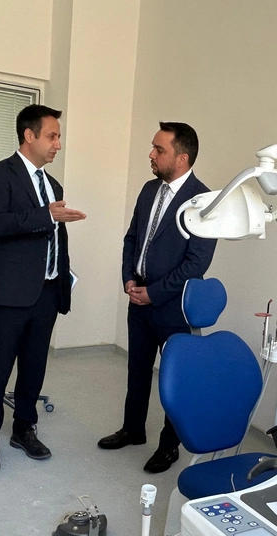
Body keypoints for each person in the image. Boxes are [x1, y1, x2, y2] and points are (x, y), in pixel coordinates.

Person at [0, 105, 86, 472]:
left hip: (46, 292)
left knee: (34, 367)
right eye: (52, 136)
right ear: (29, 135)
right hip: (8, 294)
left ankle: (24, 429)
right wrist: (47, 215)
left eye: (59, 137)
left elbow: (55, 239)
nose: (58, 144)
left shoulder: (54, 186)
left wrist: (63, 279)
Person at [98, 122, 216, 473]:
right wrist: (128, 278)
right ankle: (133, 429)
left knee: (175, 378)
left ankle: (169, 446)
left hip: (174, 305)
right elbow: (132, 238)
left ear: (182, 158)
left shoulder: (204, 202)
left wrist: (155, 292)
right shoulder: (149, 189)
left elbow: (197, 263)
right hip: (139, 297)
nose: (151, 154)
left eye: (159, 149)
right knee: (137, 369)